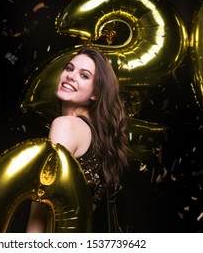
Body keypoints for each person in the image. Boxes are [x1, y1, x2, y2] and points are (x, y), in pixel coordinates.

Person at [26, 46, 130, 232]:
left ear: (95, 93)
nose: (71, 76)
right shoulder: (97, 135)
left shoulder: (65, 125)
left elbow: (42, 207)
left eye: (84, 75)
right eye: (69, 68)